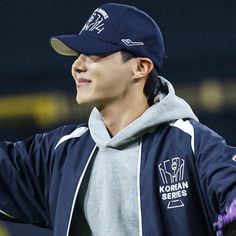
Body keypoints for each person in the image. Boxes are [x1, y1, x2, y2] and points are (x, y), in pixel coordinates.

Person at [0, 3, 235, 236]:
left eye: (94, 53)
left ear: (141, 67)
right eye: (78, 55)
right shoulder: (62, 152)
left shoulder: (192, 145)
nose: (77, 65)